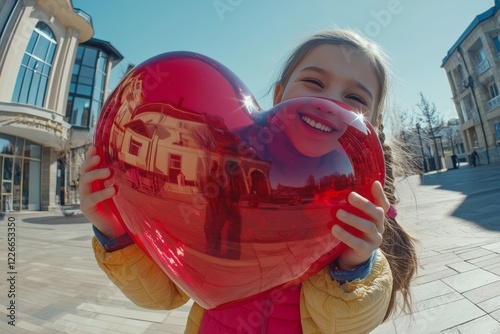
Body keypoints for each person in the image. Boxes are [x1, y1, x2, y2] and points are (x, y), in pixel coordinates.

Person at [81, 28, 417, 333]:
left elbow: (343, 324)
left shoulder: (362, 210)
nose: (329, 102)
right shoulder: (230, 165)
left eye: (355, 98)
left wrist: (355, 265)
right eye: (315, 82)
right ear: (280, 95)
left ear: (371, 121)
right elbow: (162, 296)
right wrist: (113, 229)